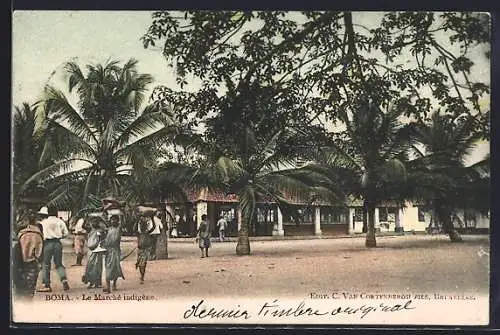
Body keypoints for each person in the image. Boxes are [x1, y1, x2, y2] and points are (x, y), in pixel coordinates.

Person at [37, 206, 70, 292]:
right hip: (57, 243)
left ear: (48, 212)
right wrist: (59, 236)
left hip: (48, 243)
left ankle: (47, 285)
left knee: (46, 264)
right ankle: (64, 280)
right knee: (58, 263)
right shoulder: (60, 221)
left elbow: (41, 234)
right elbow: (66, 233)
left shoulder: (44, 222)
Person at [13, 212, 44, 299]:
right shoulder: (38, 233)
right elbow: (40, 251)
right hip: (32, 263)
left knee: (18, 289)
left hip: (19, 263)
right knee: (30, 290)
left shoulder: (20, 233)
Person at [82, 217, 106, 289]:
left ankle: (97, 283)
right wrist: (85, 218)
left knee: (97, 267)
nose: (93, 223)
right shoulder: (91, 230)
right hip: (90, 250)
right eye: (92, 222)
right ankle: (91, 282)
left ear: (98, 223)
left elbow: (102, 238)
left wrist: (103, 220)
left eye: (95, 222)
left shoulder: (100, 231)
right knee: (90, 266)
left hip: (97, 250)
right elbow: (83, 226)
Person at [102, 215, 125, 293]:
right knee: (108, 267)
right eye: (111, 220)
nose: (113, 221)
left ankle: (114, 284)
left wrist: (121, 210)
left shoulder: (119, 229)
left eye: (114, 220)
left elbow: (122, 220)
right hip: (108, 250)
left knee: (115, 267)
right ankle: (108, 286)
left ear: (117, 221)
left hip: (116, 250)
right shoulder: (108, 229)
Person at [135, 216, 156, 284]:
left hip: (145, 250)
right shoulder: (139, 233)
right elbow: (134, 228)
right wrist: (137, 220)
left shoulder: (147, 233)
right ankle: (142, 276)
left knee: (143, 264)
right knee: (140, 264)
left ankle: (142, 277)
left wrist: (152, 219)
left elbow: (153, 227)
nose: (143, 227)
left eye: (144, 226)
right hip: (139, 250)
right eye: (141, 226)